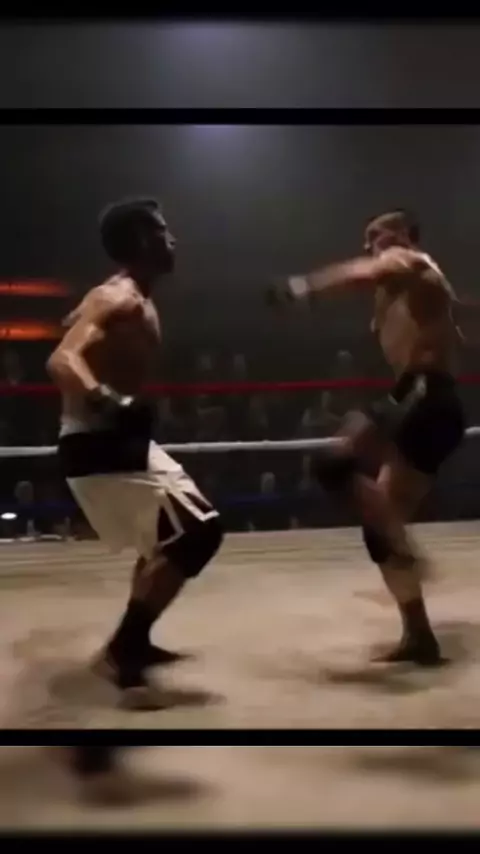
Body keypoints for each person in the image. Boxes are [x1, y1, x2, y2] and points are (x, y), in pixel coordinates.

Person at [47, 198, 224, 708]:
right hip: (96, 444)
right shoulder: (119, 296)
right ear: (142, 241)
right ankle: (120, 652)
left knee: (163, 540)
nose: (173, 240)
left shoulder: (127, 296)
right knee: (199, 533)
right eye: (163, 231)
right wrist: (108, 399)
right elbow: (61, 359)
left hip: (123, 441)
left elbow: (76, 328)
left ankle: (136, 642)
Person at [269, 209, 465, 666]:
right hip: (428, 399)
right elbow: (452, 329)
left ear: (402, 235)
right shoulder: (416, 285)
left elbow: (368, 271)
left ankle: (404, 543)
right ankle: (419, 635)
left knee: (332, 463)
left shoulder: (409, 260)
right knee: (379, 530)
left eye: (375, 235)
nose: (369, 245)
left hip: (423, 392)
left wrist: (303, 287)